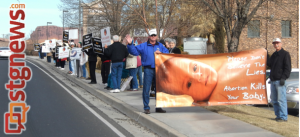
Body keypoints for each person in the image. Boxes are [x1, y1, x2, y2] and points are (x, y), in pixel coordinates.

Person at [125, 30, 169, 114]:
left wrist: (161, 53)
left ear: (156, 36)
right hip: (148, 69)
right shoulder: (143, 46)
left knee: (159, 89)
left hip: (158, 69)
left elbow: (167, 54)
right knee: (146, 89)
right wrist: (130, 44)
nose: (153, 37)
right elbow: (134, 52)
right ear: (149, 36)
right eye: (151, 35)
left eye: (154, 35)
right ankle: (146, 107)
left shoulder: (160, 46)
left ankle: (159, 107)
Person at [267, 38, 291, 122]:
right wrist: (267, 56)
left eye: (277, 43)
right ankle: (278, 116)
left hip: (280, 81)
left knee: (281, 100)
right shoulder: (274, 55)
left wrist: (283, 78)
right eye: (274, 43)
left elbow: (287, 68)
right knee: (275, 100)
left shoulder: (285, 54)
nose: (276, 45)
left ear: (281, 44)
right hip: (273, 80)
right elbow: (269, 64)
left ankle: (284, 117)